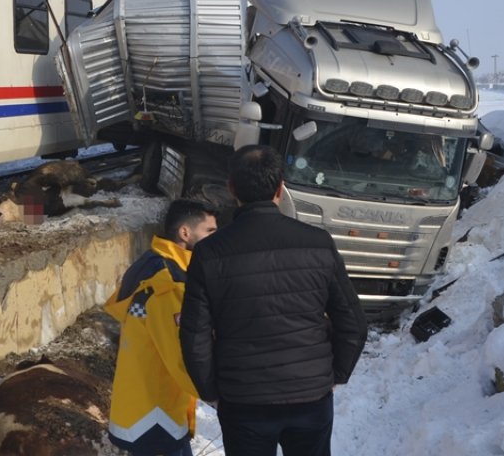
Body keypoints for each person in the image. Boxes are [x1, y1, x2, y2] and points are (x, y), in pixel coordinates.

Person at [180, 145, 367, 456]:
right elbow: (354, 323)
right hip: (311, 398)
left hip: (242, 401)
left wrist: (211, 390)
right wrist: (333, 375)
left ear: (231, 188)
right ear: (281, 188)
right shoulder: (318, 243)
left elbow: (194, 335)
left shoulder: (209, 253)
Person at [104, 199, 219, 456]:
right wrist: (214, 392)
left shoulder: (151, 263)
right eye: (210, 232)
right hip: (157, 418)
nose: (216, 238)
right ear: (185, 233)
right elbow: (180, 352)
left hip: (143, 407)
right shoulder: (167, 283)